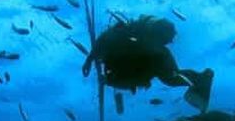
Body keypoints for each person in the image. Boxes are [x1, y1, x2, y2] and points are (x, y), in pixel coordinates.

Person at [82, 14, 214, 113]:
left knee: (171, 77)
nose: (169, 43)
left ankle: (202, 78)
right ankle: (201, 78)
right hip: (133, 64)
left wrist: (92, 63)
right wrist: (89, 60)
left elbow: (138, 79)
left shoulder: (156, 53)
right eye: (166, 40)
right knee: (172, 77)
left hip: (134, 65)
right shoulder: (127, 37)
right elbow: (106, 39)